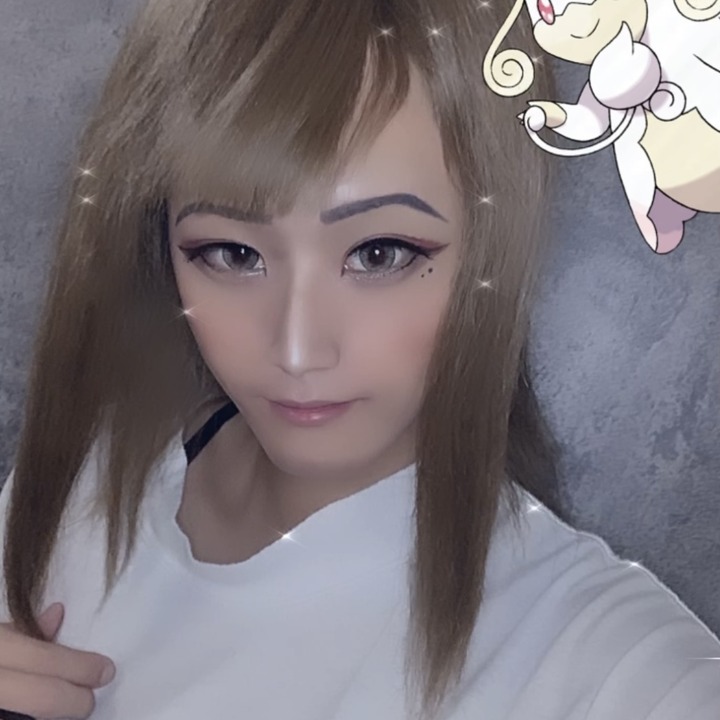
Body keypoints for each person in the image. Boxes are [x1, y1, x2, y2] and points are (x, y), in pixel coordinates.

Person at [0, 1, 718, 719]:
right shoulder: (83, 479)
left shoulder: (614, 665)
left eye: (379, 254)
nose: (297, 350)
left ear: (492, 249)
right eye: (233, 253)